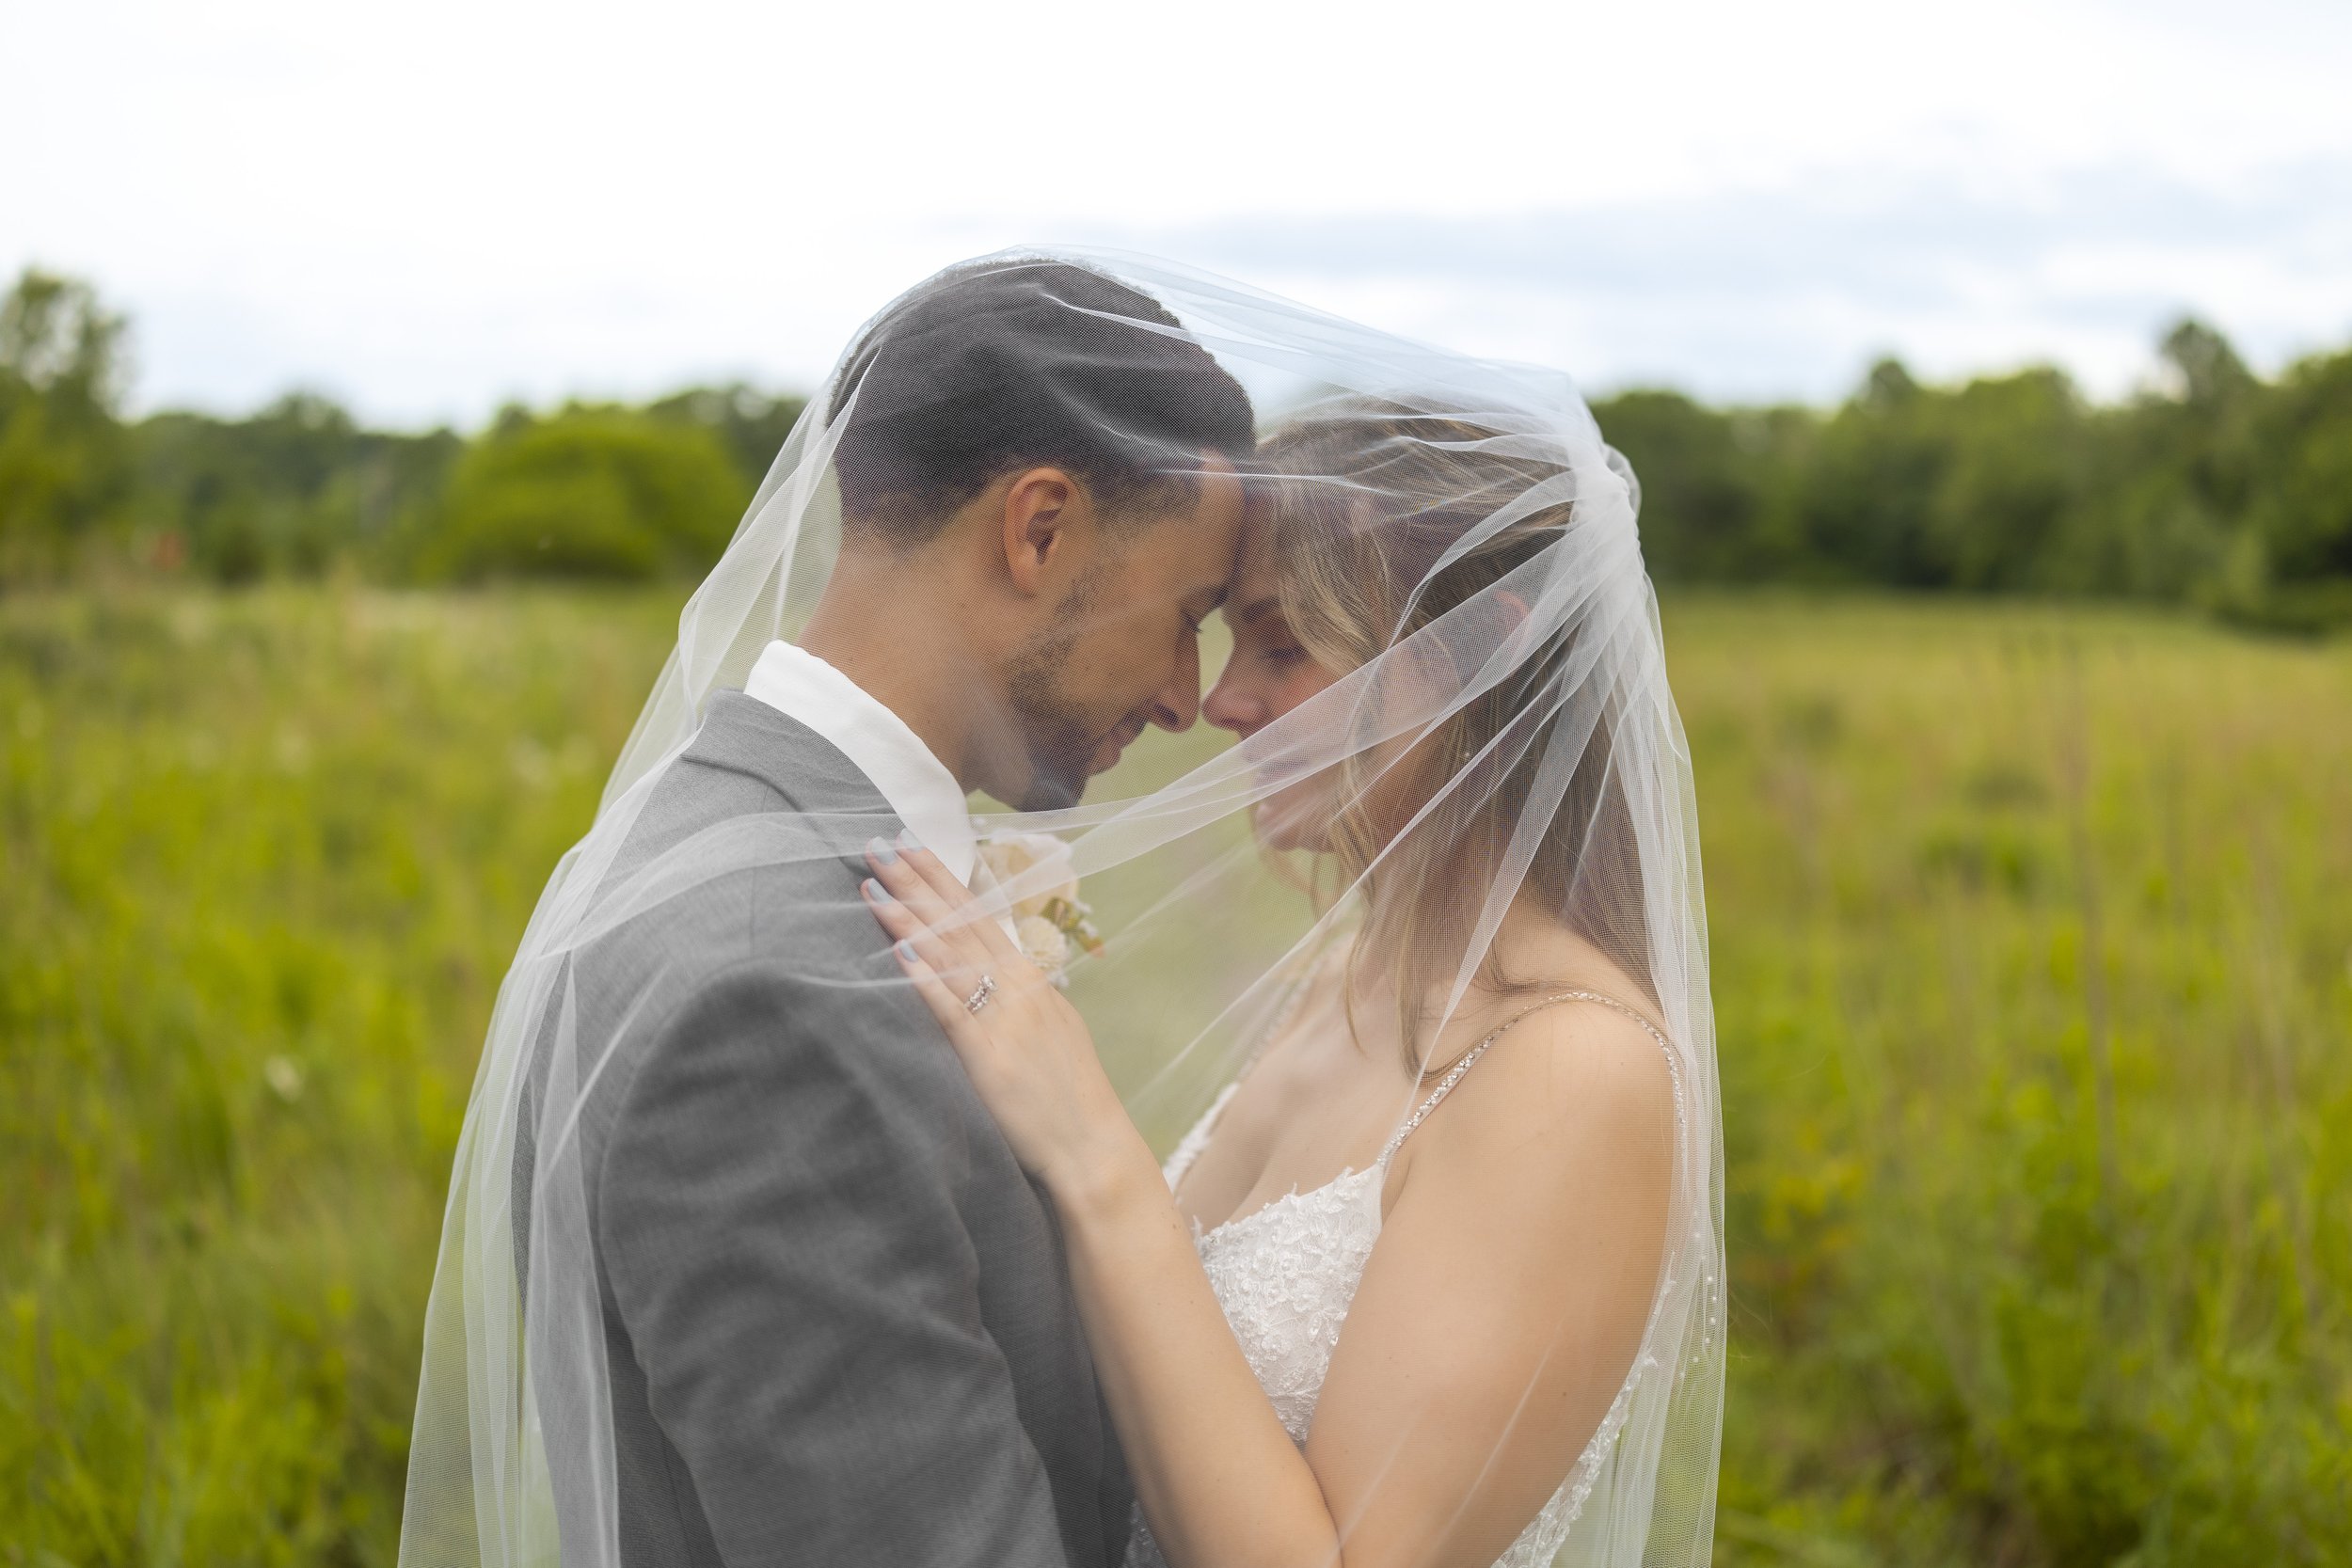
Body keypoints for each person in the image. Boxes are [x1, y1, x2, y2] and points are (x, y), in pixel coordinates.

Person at [397, 256, 1254, 1568]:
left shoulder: (724, 834)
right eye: (1187, 614)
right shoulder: (765, 998)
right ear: (1039, 530)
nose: (1190, 695)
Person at [863, 391, 1724, 1568]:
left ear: (1481, 654)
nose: (1220, 700)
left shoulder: (1574, 1069)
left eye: (1283, 641)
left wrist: (1090, 1147)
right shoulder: (1344, 980)